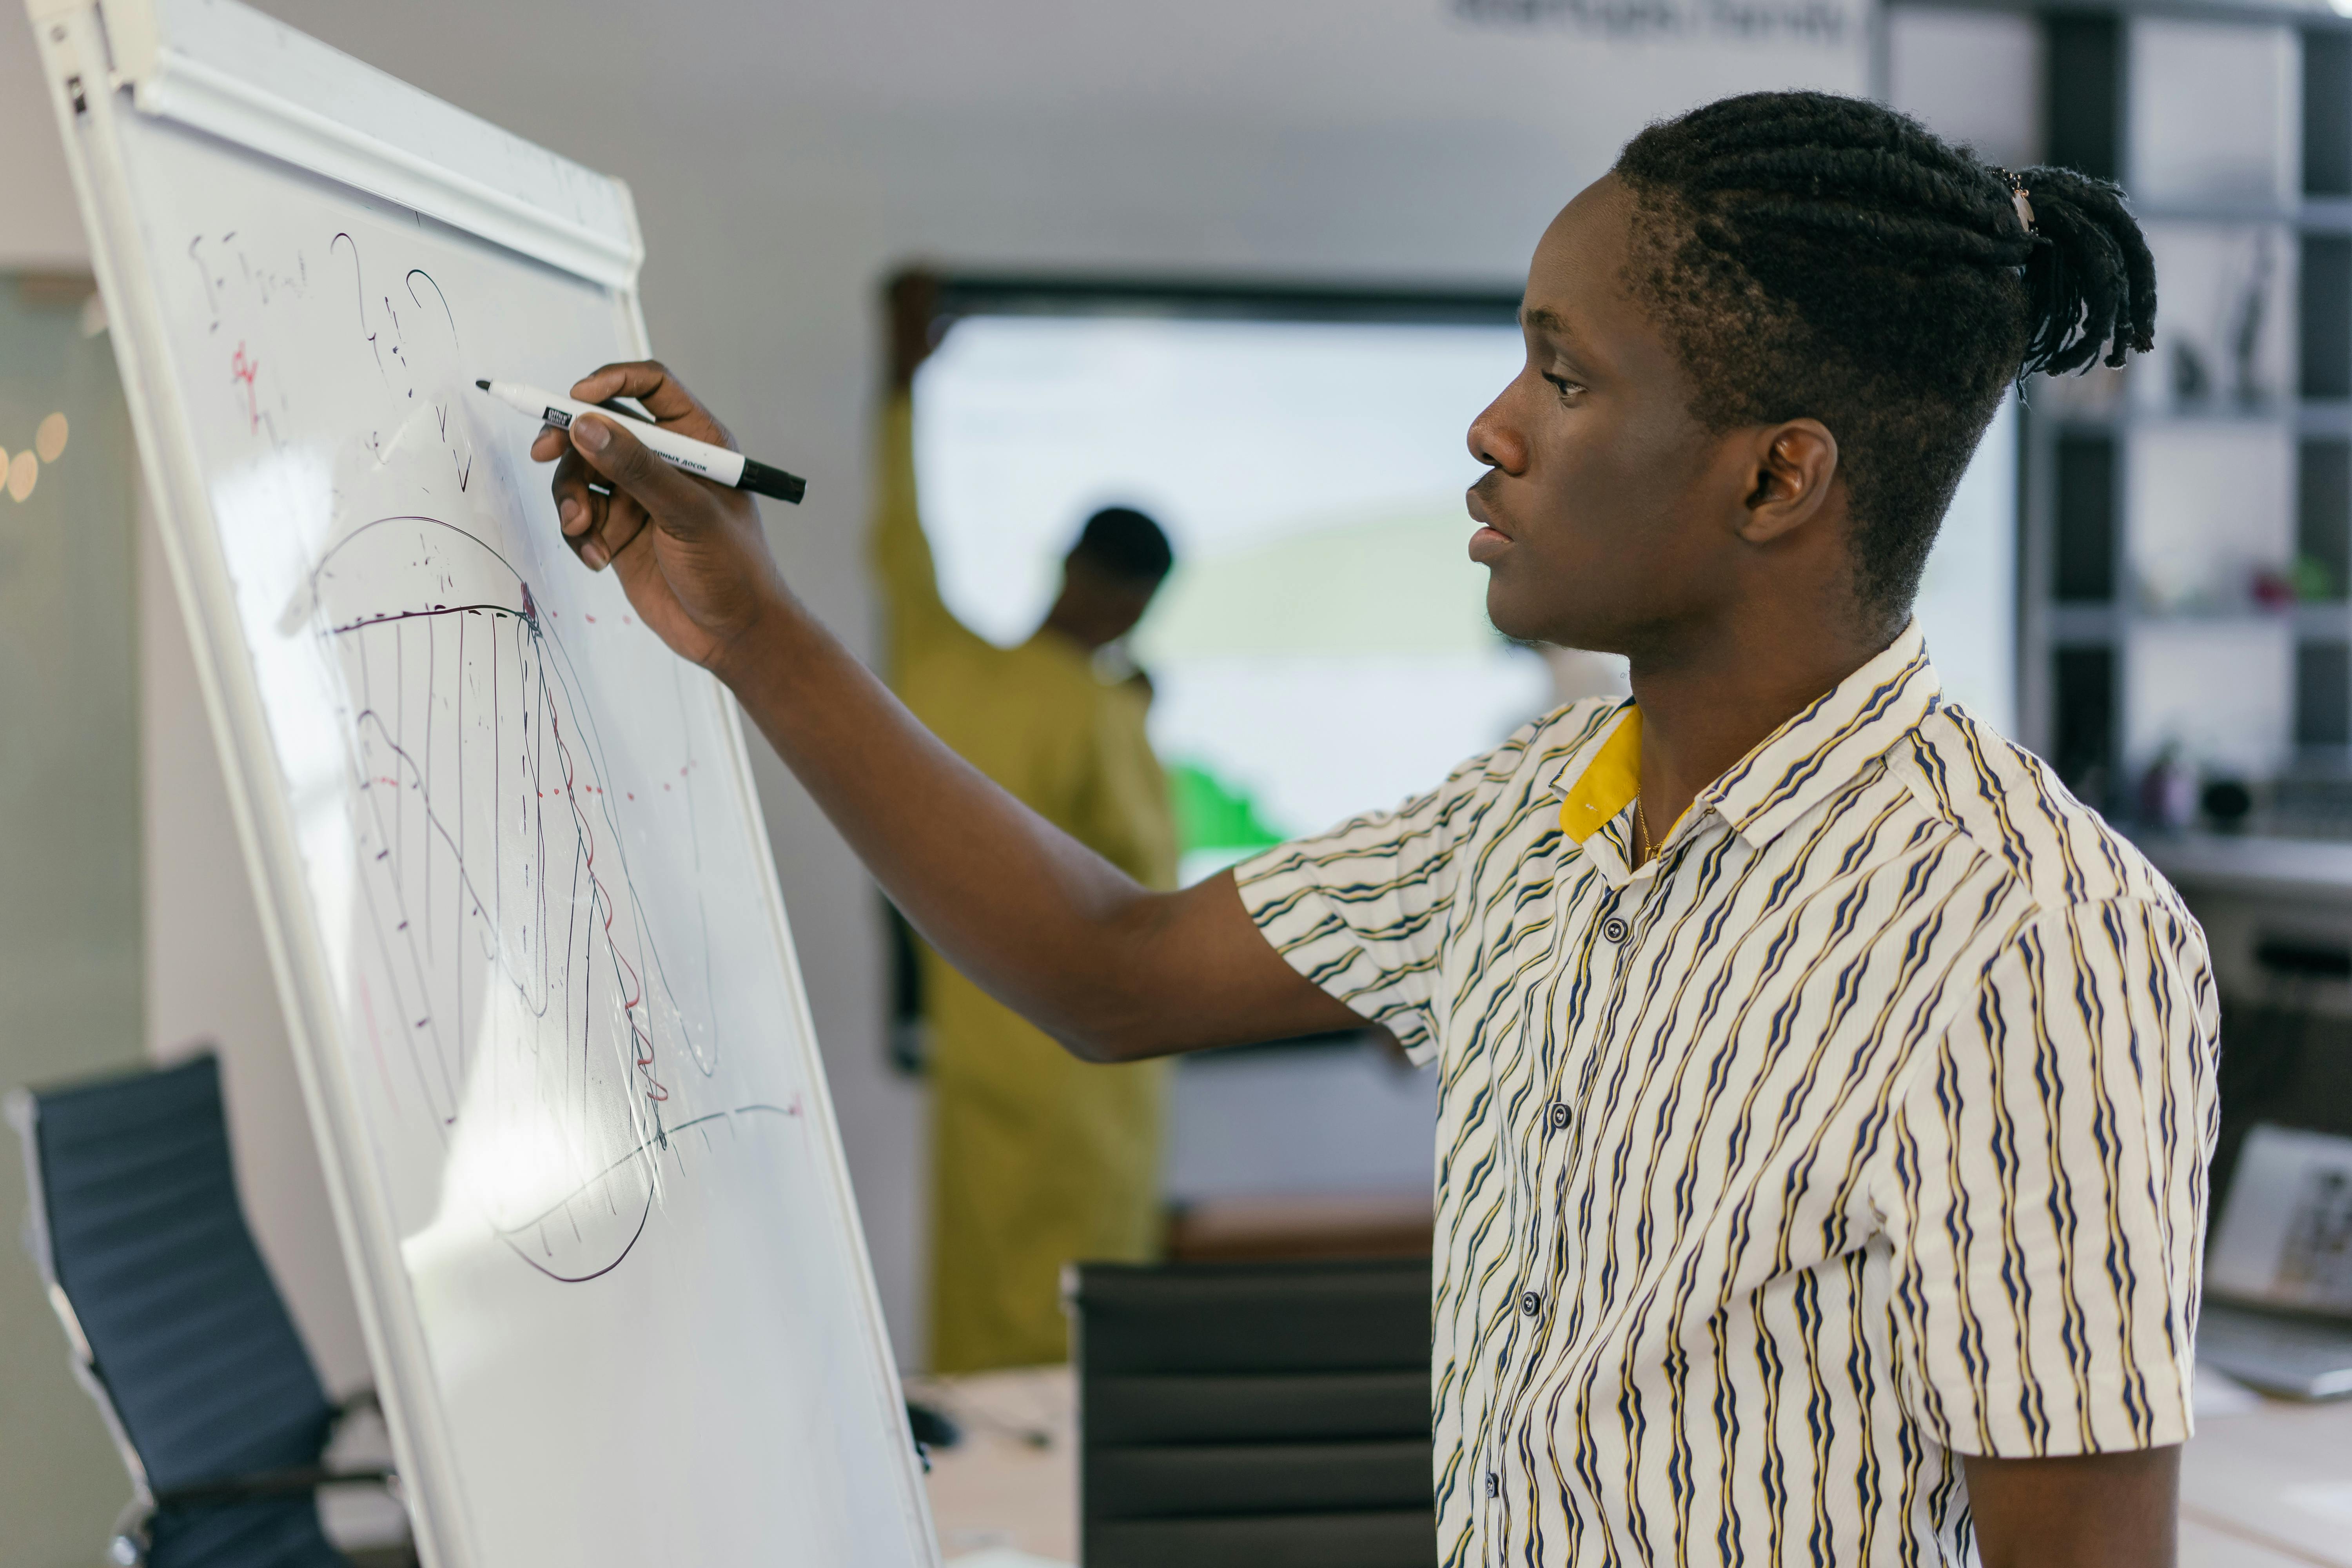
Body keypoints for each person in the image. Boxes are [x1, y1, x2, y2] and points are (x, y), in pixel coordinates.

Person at [535, 91, 2205, 1566]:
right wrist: (746, 624)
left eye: (1564, 375)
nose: (1494, 426)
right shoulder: (1529, 815)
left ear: (1777, 481)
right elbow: (1110, 969)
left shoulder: (2029, 939)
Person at [871, 274, 1180, 1372]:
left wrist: (901, 380)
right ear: (1137, 600)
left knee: (980, 1334)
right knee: (1078, 1355)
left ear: (1066, 561)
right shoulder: (1107, 717)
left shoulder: (939, 666)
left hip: (979, 1063)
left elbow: (896, 541)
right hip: (1086, 1084)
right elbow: (1155, 891)